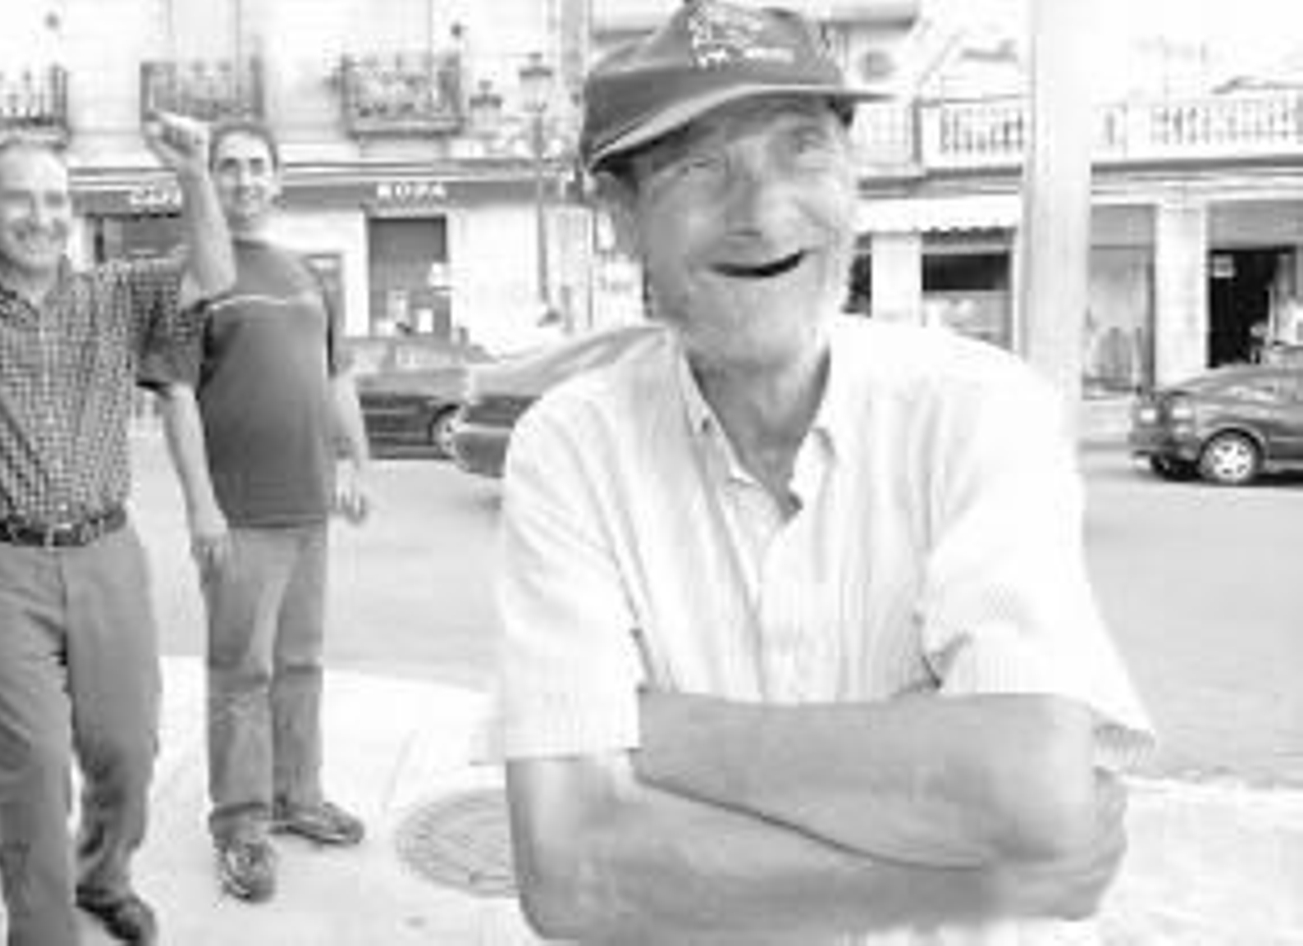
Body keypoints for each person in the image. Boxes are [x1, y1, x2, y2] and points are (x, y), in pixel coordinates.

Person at [491, 3, 1157, 943]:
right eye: (698, 165)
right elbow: (573, 877)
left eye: (801, 149)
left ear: (852, 177)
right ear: (623, 221)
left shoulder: (980, 409)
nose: (763, 212)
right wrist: (970, 891)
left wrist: (659, 732)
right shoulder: (571, 449)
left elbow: (1028, 786)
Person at [0, 78, 235, 945]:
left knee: (127, 753)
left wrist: (194, 174)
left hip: (106, 556)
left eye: (56, 201)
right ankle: (41, 932)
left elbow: (214, 272)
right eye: (21, 200)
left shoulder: (115, 296)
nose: (41, 216)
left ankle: (103, 877)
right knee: (31, 772)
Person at [146, 117, 373, 905]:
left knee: (301, 666)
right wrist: (201, 505)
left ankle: (297, 797)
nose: (243, 180)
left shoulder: (308, 273)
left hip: (309, 508)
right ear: (213, 180)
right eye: (228, 167)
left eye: (256, 167)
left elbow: (337, 375)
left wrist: (359, 463)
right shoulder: (192, 274)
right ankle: (241, 825)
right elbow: (176, 394)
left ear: (279, 180)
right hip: (238, 516)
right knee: (242, 673)